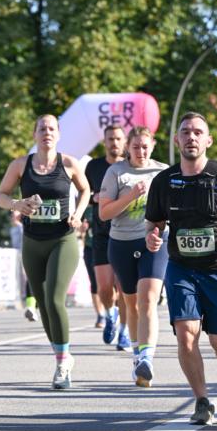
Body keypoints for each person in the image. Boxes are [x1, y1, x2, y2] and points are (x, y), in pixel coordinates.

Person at [144, 113, 217, 423]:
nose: (191, 137)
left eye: (198, 132)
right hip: (182, 268)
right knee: (186, 335)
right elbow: (154, 222)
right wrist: (152, 235)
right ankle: (202, 401)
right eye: (185, 132)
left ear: (208, 140)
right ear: (177, 140)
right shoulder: (164, 181)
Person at [0, 114, 90, 387]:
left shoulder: (68, 163)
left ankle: (62, 364)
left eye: (51, 129)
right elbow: (1, 196)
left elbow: (85, 190)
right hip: (32, 241)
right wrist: (17, 204)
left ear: (58, 134)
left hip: (63, 239)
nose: (46, 132)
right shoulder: (20, 165)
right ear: (34, 134)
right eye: (42, 128)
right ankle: (62, 355)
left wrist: (78, 214)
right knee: (42, 302)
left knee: (54, 299)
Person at [98, 126, 168, 386]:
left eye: (145, 146)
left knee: (148, 298)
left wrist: (161, 230)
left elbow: (173, 209)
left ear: (153, 146)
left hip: (154, 241)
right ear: (128, 147)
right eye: (136, 147)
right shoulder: (116, 172)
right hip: (122, 243)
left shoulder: (162, 172)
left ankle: (147, 357)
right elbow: (104, 213)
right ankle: (138, 357)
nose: (141, 151)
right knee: (131, 303)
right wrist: (130, 196)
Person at [85, 126, 131, 350]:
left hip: (125, 232)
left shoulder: (130, 166)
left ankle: (124, 332)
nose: (114, 143)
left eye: (118, 139)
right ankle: (110, 314)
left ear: (125, 142)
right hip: (101, 233)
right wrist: (93, 198)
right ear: (104, 142)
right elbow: (84, 193)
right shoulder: (93, 167)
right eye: (110, 139)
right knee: (104, 289)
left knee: (123, 288)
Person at [80, 208, 104, 326]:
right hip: (90, 248)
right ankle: (100, 315)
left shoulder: (109, 202)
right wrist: (82, 228)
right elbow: (78, 227)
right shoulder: (87, 209)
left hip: (106, 246)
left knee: (111, 283)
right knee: (94, 283)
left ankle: (112, 310)